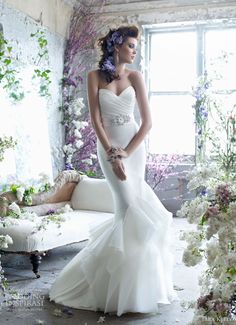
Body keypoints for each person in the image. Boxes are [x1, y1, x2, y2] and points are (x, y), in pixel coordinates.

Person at [49, 25, 177, 316]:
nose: (135, 51)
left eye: (136, 46)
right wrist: (111, 155)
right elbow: (96, 119)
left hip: (133, 148)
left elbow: (147, 123)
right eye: (131, 46)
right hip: (108, 148)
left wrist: (126, 153)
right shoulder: (94, 77)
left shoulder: (136, 77)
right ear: (116, 47)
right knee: (127, 207)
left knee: (135, 210)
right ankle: (112, 287)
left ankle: (137, 287)